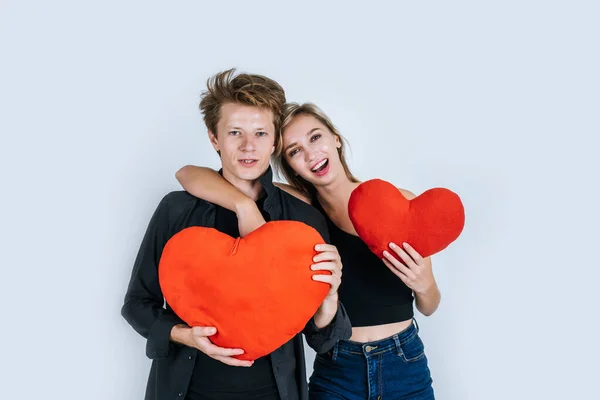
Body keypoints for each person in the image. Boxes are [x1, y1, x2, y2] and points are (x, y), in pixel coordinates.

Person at [176, 102, 441, 399]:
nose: (310, 154)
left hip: (404, 362)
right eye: (294, 151)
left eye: (315, 137)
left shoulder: (398, 202)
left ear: (335, 138)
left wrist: (426, 284)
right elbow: (187, 174)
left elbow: (429, 306)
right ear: (289, 164)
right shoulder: (300, 209)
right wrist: (245, 206)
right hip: (337, 367)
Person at [121, 70, 351, 400]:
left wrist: (329, 296)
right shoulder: (175, 210)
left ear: (275, 142)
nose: (248, 146)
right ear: (214, 138)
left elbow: (324, 340)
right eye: (234, 132)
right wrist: (186, 336)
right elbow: (137, 304)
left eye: (260, 133)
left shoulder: (302, 219)